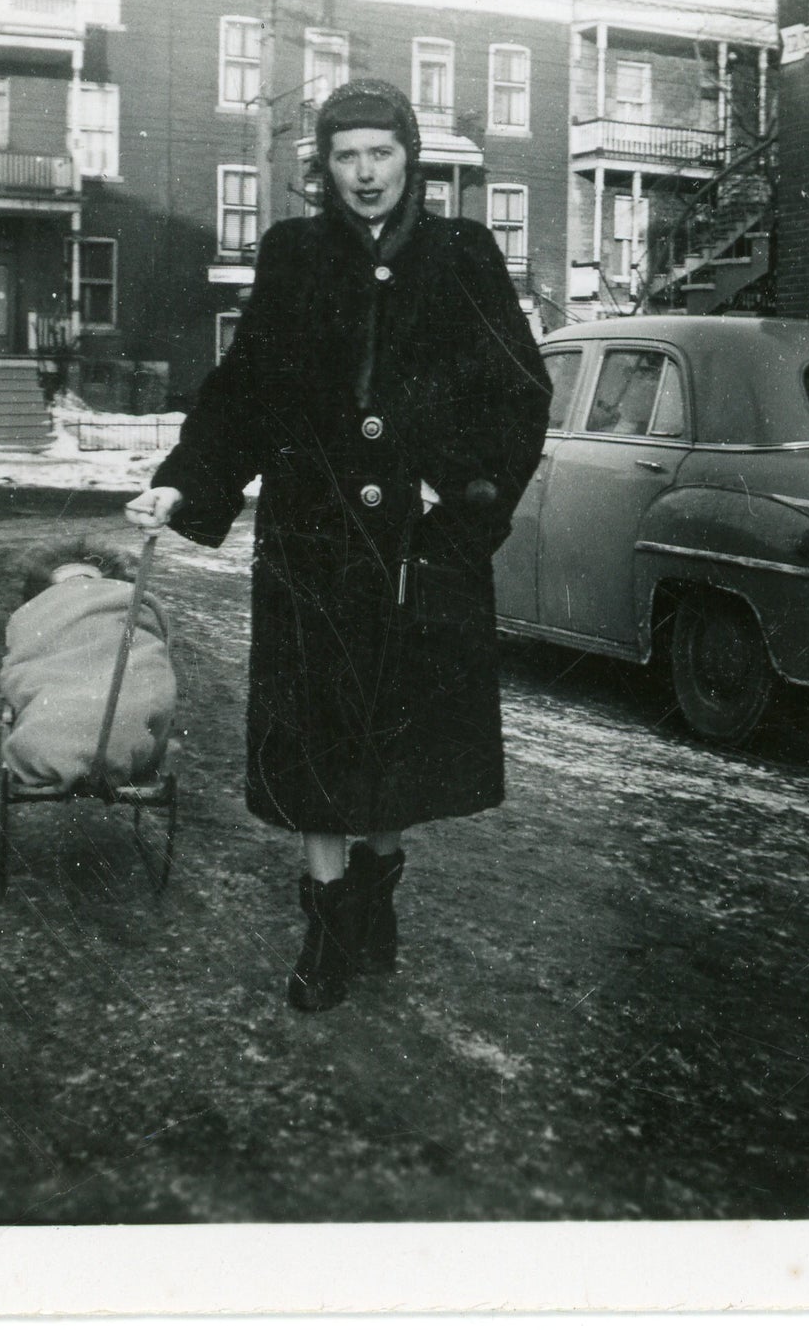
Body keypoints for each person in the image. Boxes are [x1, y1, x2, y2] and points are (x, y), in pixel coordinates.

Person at [125, 78, 552, 1013]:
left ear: (410, 159)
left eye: (382, 154)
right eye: (347, 157)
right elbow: (246, 387)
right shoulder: (291, 254)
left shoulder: (462, 253)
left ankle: (375, 898)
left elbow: (518, 392)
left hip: (417, 542)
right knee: (316, 735)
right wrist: (186, 479)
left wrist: (464, 509)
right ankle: (326, 928)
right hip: (312, 541)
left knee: (399, 737)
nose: (365, 174)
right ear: (325, 167)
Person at [0, 540, 177, 793]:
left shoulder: (39, 609)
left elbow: (22, 660)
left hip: (46, 748)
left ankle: (63, 747)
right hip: (131, 753)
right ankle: (119, 743)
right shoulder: (125, 598)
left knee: (45, 682)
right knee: (140, 670)